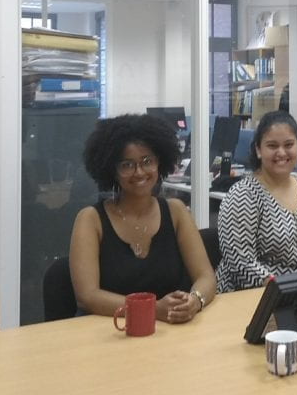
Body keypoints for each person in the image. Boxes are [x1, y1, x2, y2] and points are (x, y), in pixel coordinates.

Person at [70, 113, 215, 322]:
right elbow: (87, 297)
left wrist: (195, 300)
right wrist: (153, 309)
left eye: (147, 161)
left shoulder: (176, 212)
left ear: (160, 162)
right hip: (108, 334)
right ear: (112, 170)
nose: (139, 172)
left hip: (168, 333)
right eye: (127, 165)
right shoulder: (90, 220)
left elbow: (206, 277)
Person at [217, 111, 297, 292]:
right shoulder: (243, 195)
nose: (281, 152)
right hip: (258, 294)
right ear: (258, 150)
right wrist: (282, 289)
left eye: (289, 144)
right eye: (272, 145)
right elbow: (240, 262)